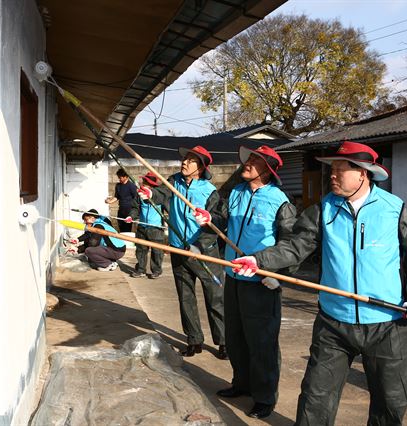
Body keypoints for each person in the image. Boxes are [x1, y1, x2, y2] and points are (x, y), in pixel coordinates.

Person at [231, 141, 407, 425]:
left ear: (363, 174)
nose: (332, 174)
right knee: (315, 400)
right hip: (333, 323)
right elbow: (295, 246)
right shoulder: (322, 210)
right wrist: (259, 260)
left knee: (390, 403)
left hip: (387, 324)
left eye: (340, 169)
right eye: (332, 168)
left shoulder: (394, 210)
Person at [198, 146, 297, 419]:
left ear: (268, 170)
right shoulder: (237, 193)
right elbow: (224, 221)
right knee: (236, 336)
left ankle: (265, 397)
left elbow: (291, 243)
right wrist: (209, 220)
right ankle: (241, 383)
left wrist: (277, 275)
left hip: (261, 280)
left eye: (256, 161)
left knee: (262, 342)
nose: (248, 163)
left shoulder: (280, 201)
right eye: (250, 159)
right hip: (234, 275)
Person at [138, 145, 226, 359]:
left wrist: (210, 219)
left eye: (191, 160)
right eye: (185, 159)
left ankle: (224, 342)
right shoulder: (173, 182)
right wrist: (150, 193)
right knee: (185, 297)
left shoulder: (209, 191)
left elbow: (220, 220)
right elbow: (160, 194)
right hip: (178, 249)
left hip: (204, 251)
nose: (184, 162)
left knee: (215, 298)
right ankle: (194, 340)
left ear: (201, 167)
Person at [126, 172, 166, 279]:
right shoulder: (139, 195)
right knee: (140, 249)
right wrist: (131, 216)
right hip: (142, 227)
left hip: (156, 228)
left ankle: (156, 270)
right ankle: (141, 270)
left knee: (157, 251)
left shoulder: (160, 195)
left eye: (144, 182)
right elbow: (135, 208)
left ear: (150, 184)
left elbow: (169, 208)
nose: (142, 184)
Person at [105, 168, 137, 233]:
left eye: (121, 177)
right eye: (119, 177)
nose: (119, 179)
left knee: (127, 228)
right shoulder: (118, 186)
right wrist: (109, 202)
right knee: (121, 227)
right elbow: (117, 197)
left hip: (129, 211)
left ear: (126, 177)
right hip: (121, 209)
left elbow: (136, 198)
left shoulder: (132, 186)